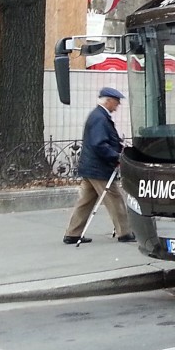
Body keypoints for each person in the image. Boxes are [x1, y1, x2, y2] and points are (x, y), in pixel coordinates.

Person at [62, 86, 134, 244]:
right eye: (116, 102)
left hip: (92, 167)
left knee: (86, 201)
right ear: (108, 101)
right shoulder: (100, 118)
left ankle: (72, 234)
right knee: (115, 199)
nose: (118, 106)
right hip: (99, 168)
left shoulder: (99, 116)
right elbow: (99, 144)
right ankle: (125, 233)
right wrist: (117, 157)